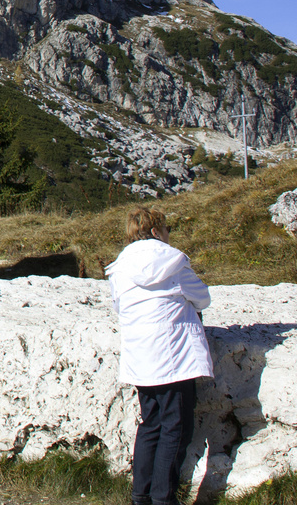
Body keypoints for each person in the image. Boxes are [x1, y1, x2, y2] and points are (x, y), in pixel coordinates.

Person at [105, 206, 212, 505]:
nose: (168, 235)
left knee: (150, 423)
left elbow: (119, 306)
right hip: (174, 356)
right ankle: (164, 498)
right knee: (175, 427)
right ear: (155, 231)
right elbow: (203, 298)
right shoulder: (174, 262)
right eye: (166, 230)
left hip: (141, 356)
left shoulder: (119, 267)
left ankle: (141, 495)